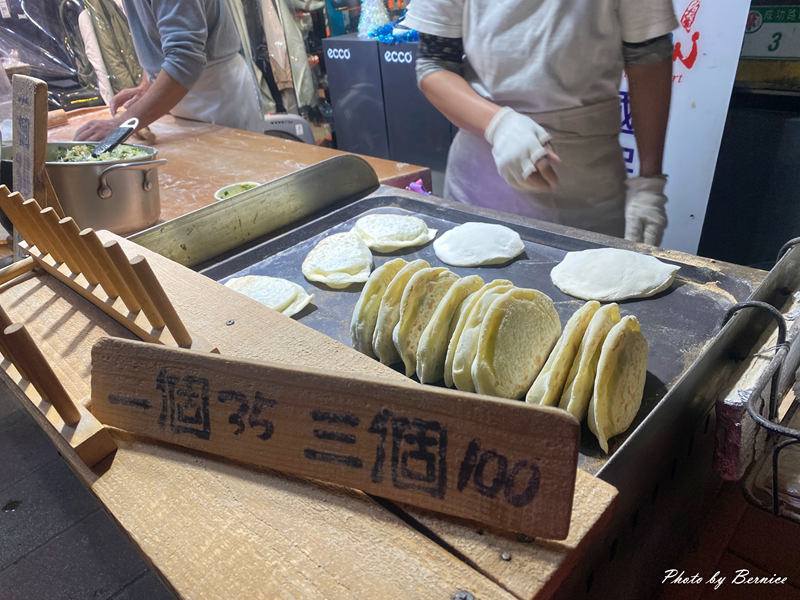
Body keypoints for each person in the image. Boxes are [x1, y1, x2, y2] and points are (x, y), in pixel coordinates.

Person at [403, 0, 677, 245]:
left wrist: (649, 182)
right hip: (482, 178)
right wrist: (498, 125)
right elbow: (434, 64)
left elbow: (647, 55)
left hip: (587, 185)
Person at [75, 0, 264, 142]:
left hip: (217, 100)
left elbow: (186, 59)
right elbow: (163, 38)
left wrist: (121, 126)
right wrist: (147, 84)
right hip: (189, 98)